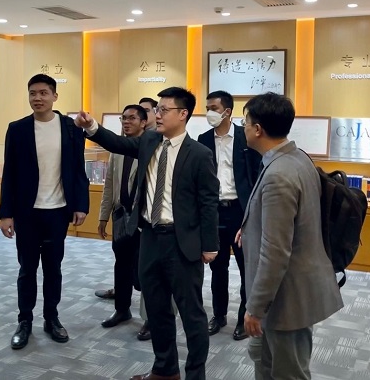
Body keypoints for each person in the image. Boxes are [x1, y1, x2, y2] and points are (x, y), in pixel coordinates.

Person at [76, 86, 219, 380]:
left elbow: (208, 203)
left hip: (182, 242)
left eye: (164, 110)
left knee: (191, 314)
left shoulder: (199, 154)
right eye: (157, 110)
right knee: (156, 309)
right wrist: (91, 127)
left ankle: (196, 375)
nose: (158, 115)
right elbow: (117, 143)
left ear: (183, 114)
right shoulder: (149, 141)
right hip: (150, 237)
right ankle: (165, 370)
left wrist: (210, 245)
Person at [237, 92, 343, 379]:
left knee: (288, 372)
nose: (243, 128)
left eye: (245, 122)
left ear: (258, 129)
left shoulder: (278, 174)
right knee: (267, 363)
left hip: (286, 298)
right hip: (289, 290)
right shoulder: (294, 158)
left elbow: (275, 252)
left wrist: (255, 308)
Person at [0, 73, 89, 350]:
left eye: (43, 93)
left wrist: (81, 205)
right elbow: (10, 173)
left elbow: (78, 169)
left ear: (54, 96)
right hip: (27, 213)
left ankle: (52, 318)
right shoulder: (18, 129)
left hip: (57, 211)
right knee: (27, 269)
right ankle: (24, 321)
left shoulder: (71, 128)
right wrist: (6, 213)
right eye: (33, 93)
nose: (37, 98)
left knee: (53, 268)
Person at [197, 90, 261, 341]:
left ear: (227, 111)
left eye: (213, 108)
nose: (209, 113)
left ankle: (244, 317)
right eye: (207, 108)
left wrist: (253, 215)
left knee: (246, 268)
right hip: (214, 212)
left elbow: (256, 177)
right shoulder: (203, 139)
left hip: (240, 212)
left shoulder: (246, 138)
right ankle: (219, 315)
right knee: (217, 267)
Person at [97, 105, 147, 332]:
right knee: (122, 264)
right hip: (120, 216)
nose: (127, 122)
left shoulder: (149, 147)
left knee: (144, 268)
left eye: (132, 118)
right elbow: (109, 184)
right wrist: (103, 217)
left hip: (142, 219)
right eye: (123, 118)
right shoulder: (116, 149)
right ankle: (122, 309)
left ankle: (149, 318)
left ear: (143, 122)